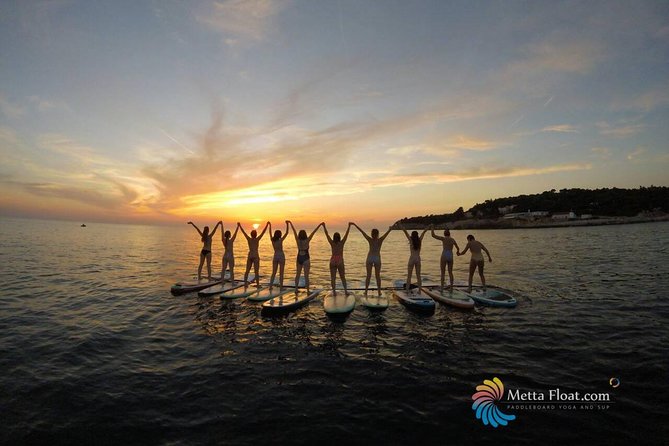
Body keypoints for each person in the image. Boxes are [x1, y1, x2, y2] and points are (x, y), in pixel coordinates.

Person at [351, 223, 392, 295]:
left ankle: (366, 291)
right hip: (377, 258)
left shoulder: (370, 239)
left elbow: (362, 232)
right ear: (378, 234)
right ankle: (379, 291)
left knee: (368, 276)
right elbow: (388, 232)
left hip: (370, 257)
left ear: (372, 234)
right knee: (377, 276)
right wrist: (394, 226)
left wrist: (355, 225)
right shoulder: (380, 240)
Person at [287, 220, 324, 294]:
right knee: (306, 276)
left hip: (299, 257)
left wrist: (290, 223)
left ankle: (296, 289)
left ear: (299, 235)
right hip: (306, 258)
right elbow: (313, 232)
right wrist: (320, 225)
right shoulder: (307, 240)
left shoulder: (297, 240)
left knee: (297, 274)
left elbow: (294, 231)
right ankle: (307, 291)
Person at [323, 223, 352, 295]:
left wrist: (324, 226)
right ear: (339, 237)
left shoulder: (332, 243)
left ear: (334, 237)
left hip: (332, 260)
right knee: (342, 277)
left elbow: (327, 235)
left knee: (333, 278)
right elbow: (346, 235)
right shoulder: (342, 243)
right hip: (340, 260)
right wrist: (349, 226)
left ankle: (334, 292)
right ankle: (345, 291)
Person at [239, 222, 269, 287]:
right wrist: (267, 225)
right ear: (256, 235)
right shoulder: (257, 239)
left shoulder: (249, 239)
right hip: (255, 256)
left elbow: (243, 232)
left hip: (250, 255)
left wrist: (240, 226)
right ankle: (258, 284)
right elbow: (263, 232)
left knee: (247, 271)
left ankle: (245, 284)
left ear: (251, 234)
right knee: (256, 272)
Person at [430, 225, 460, 291]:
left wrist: (432, 228)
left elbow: (433, 235)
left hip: (444, 254)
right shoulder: (453, 239)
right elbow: (457, 248)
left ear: (444, 234)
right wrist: (458, 252)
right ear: (449, 234)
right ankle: (451, 287)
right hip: (450, 255)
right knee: (450, 272)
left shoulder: (443, 238)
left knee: (443, 272)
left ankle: (442, 288)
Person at [400, 225, 427, 291]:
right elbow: (424, 232)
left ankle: (407, 291)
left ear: (412, 235)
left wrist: (401, 225)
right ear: (417, 235)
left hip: (411, 259)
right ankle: (420, 291)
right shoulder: (419, 241)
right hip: (418, 259)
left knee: (409, 276)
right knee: (418, 276)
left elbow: (405, 232)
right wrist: (428, 228)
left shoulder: (411, 240)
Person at [268, 221, 290, 291]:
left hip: (275, 256)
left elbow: (269, 233)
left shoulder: (272, 240)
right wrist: (287, 224)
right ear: (280, 235)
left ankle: (270, 286)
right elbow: (287, 233)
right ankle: (281, 288)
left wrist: (269, 225)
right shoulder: (280, 240)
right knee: (281, 273)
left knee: (273, 272)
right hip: (281, 256)